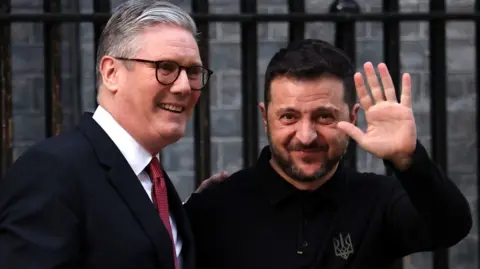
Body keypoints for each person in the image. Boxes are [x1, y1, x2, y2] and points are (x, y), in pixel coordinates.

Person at [184, 39, 472, 269]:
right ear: (265, 117)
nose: (306, 136)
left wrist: (408, 159)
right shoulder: (215, 207)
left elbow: (450, 226)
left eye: (324, 117)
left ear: (353, 116)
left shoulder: (379, 201)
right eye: (289, 117)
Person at [0, 1, 214, 268]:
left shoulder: (152, 179)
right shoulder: (52, 171)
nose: (184, 87)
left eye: (193, 72)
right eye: (166, 68)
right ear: (111, 73)